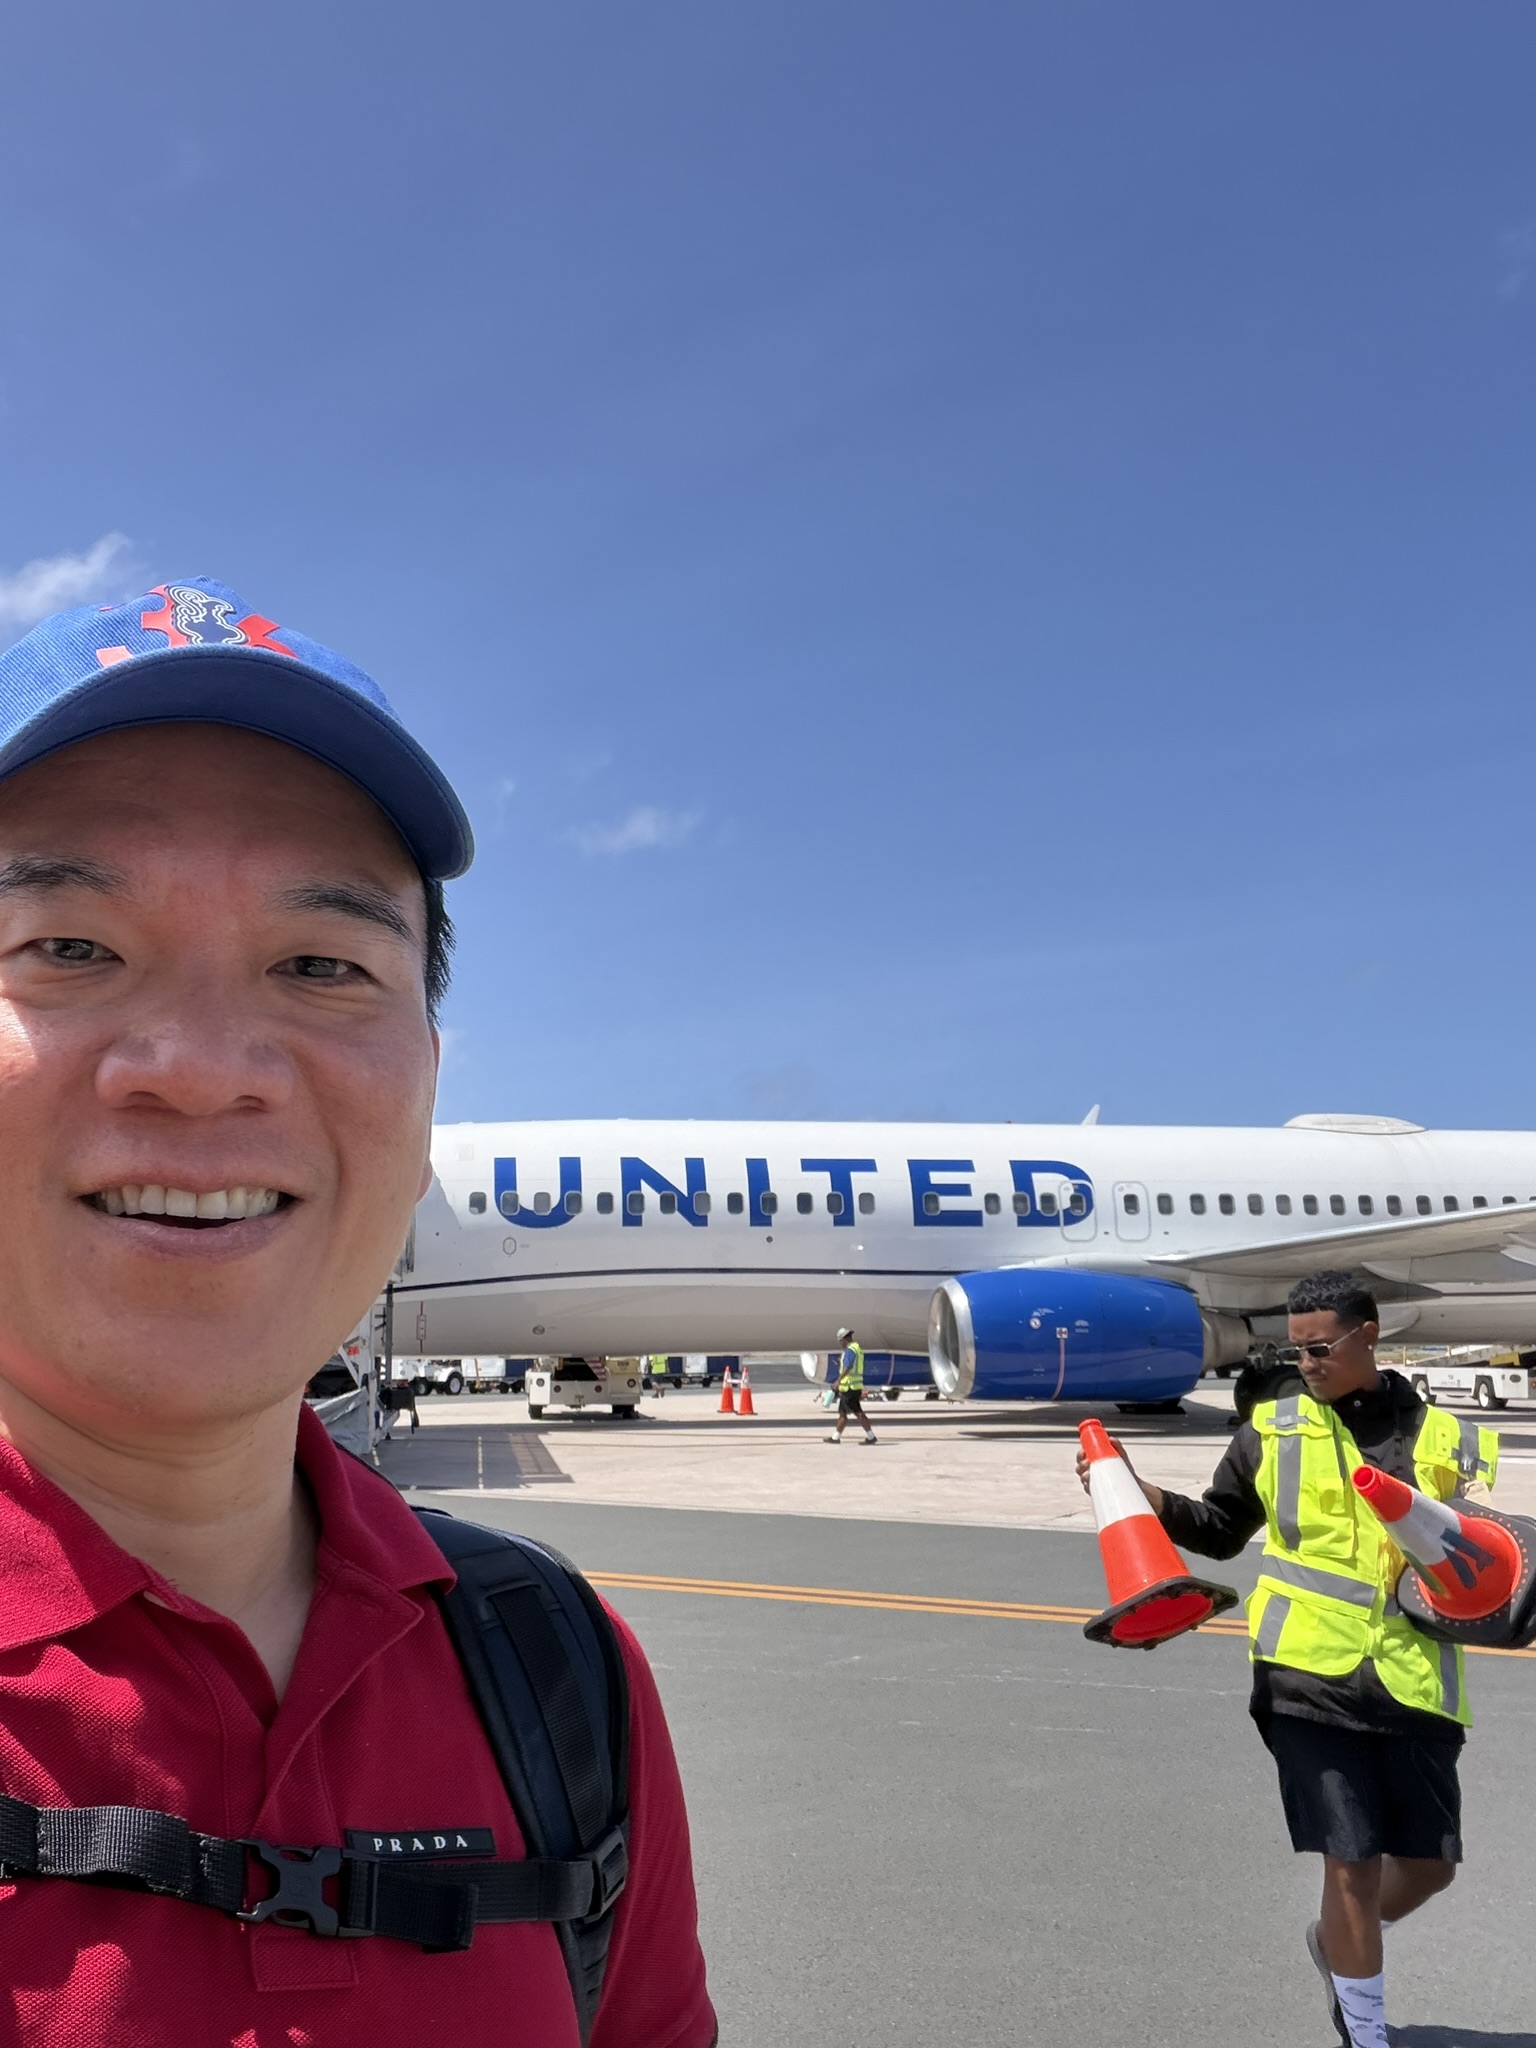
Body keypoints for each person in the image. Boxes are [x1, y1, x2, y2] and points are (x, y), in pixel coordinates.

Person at [0, 578, 715, 2047]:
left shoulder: (559, 1676)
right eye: (68, 946)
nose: (200, 1068)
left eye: (321, 964)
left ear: (432, 1079)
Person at [1077, 1270, 1496, 2048]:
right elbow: (1220, 1529)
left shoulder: (1445, 1434)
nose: (1306, 1361)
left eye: (1321, 1345)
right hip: (1305, 1675)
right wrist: (1147, 1496)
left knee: (1430, 1866)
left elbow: (1479, 1553)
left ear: (1369, 1335)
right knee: (1352, 1859)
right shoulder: (1271, 1430)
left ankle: (1334, 1943)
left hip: (1416, 1677)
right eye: (1295, 1348)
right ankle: (1366, 2031)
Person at [826, 1326, 877, 1444]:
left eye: (840, 1342)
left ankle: (871, 1436)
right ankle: (835, 1437)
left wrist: (838, 1380)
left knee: (858, 1413)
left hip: (850, 1388)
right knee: (843, 1413)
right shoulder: (856, 1348)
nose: (840, 1344)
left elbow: (848, 1367)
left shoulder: (850, 1350)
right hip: (851, 1387)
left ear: (844, 1339)